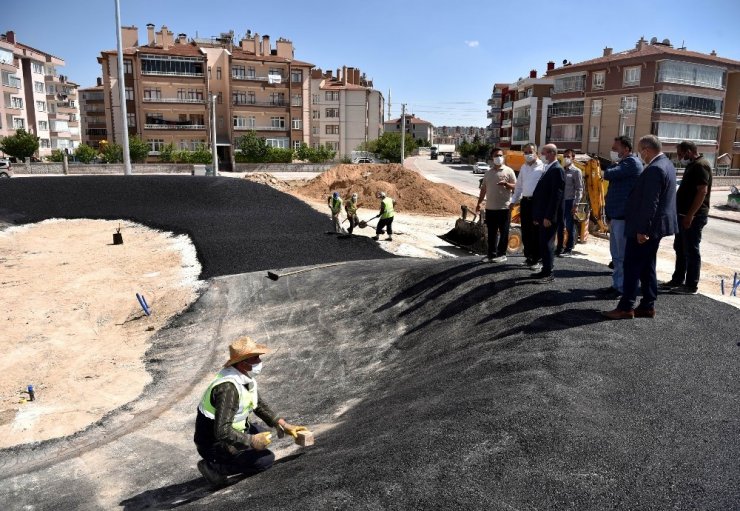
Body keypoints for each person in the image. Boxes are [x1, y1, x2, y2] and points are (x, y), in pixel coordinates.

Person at [194, 336, 307, 487]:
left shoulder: (244, 377)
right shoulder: (228, 389)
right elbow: (222, 431)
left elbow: (258, 404)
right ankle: (213, 467)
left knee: (263, 434)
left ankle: (237, 453)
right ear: (242, 362)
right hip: (214, 443)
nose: (259, 361)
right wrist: (251, 441)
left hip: (230, 431)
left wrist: (283, 425)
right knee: (264, 460)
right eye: (255, 358)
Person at [602, 135, 678, 320]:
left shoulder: (654, 169)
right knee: (647, 266)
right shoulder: (667, 164)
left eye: (641, 150)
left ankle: (626, 307)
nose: (640, 154)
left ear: (646, 150)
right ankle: (647, 305)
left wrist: (642, 230)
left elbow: (650, 203)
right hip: (655, 227)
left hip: (645, 228)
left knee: (632, 266)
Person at [660, 141, 712, 295]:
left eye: (680, 153)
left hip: (693, 217)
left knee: (691, 250)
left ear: (689, 151)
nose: (679, 157)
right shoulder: (693, 165)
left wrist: (690, 215)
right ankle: (677, 280)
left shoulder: (700, 166)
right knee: (680, 248)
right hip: (682, 215)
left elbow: (702, 191)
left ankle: (691, 285)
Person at [600, 136, 643, 298]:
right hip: (616, 216)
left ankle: (624, 288)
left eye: (615, 148)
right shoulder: (624, 163)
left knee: (623, 256)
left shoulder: (632, 163)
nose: (613, 151)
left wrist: (611, 166)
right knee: (616, 256)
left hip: (624, 217)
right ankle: (617, 285)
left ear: (626, 149)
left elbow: (609, 174)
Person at [476, 147, 517, 263]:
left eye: (500, 155)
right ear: (492, 158)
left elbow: (516, 187)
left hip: (504, 208)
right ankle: (491, 255)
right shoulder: (488, 173)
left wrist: (507, 185)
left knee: (504, 232)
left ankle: (502, 254)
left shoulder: (509, 171)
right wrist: (479, 203)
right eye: (496, 156)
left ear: (503, 157)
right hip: (490, 208)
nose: (498, 158)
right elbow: (483, 189)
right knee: (491, 233)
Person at [530, 143, 565, 282]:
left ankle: (548, 272)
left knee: (547, 243)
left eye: (543, 153)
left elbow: (556, 195)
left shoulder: (557, 169)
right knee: (543, 243)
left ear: (551, 153)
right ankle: (545, 270)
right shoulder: (549, 168)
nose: (542, 155)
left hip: (549, 216)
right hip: (543, 214)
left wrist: (548, 216)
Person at [510, 143, 545, 268]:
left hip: (537, 203)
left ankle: (537, 259)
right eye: (525, 152)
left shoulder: (543, 168)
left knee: (536, 231)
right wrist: (513, 201)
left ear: (536, 152)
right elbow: (519, 187)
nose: (528, 154)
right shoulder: (524, 167)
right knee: (525, 231)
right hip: (525, 202)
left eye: (530, 151)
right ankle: (528, 256)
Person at [555, 149, 583, 257]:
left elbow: (579, 189)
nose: (566, 158)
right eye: (564, 156)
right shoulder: (562, 170)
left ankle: (569, 248)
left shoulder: (576, 172)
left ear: (573, 158)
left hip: (570, 201)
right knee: (560, 225)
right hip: (561, 201)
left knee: (569, 226)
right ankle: (559, 247)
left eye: (568, 156)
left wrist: (576, 204)